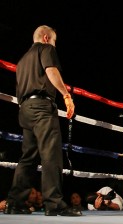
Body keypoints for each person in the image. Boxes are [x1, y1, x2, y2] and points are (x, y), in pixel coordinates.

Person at [4, 25, 80, 216]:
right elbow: (51, 71)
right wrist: (66, 95)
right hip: (41, 109)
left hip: (25, 109)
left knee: (27, 157)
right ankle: (54, 204)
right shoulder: (46, 49)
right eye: (54, 41)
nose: (55, 45)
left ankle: (15, 202)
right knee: (51, 154)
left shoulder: (22, 61)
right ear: (46, 38)